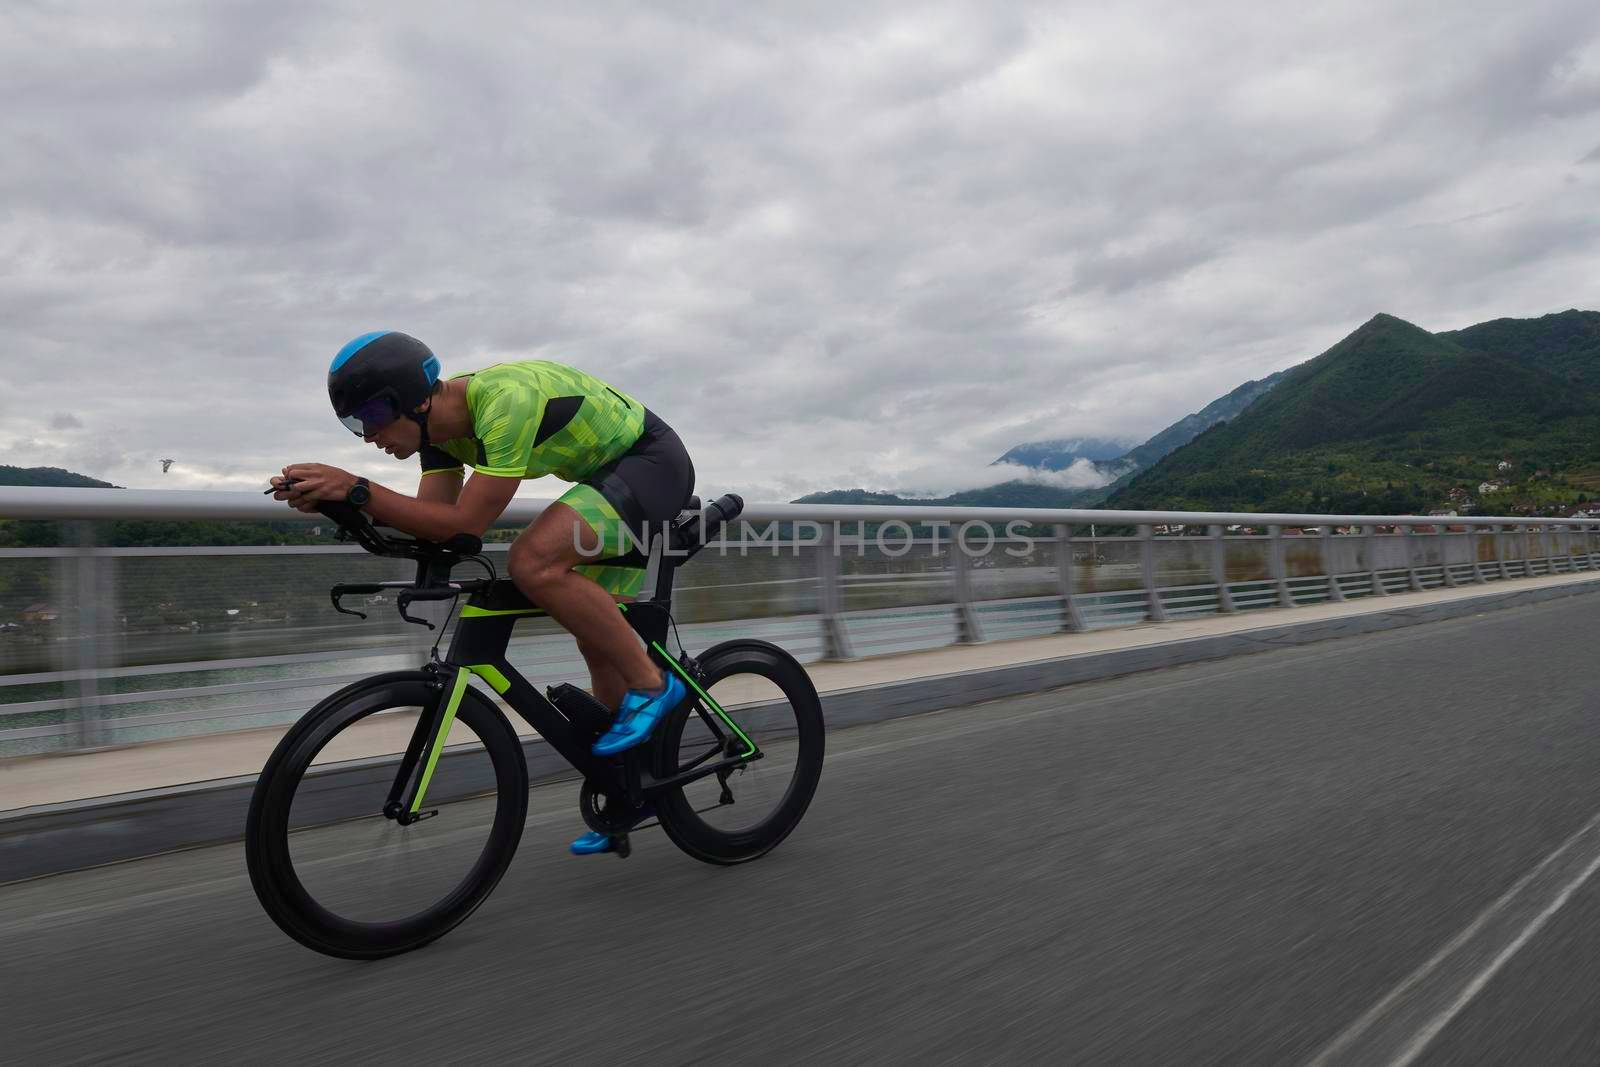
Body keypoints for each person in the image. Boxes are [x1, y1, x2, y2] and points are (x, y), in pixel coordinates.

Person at [271, 331, 695, 855]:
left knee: (533, 561)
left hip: (650, 462)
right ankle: (628, 788)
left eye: (373, 415)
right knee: (598, 637)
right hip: (603, 480)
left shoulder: (503, 402)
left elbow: (467, 521)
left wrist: (359, 487)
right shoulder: (437, 437)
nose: (367, 435)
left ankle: (653, 685)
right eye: (354, 423)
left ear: (415, 398)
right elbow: (433, 526)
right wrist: (344, 505)